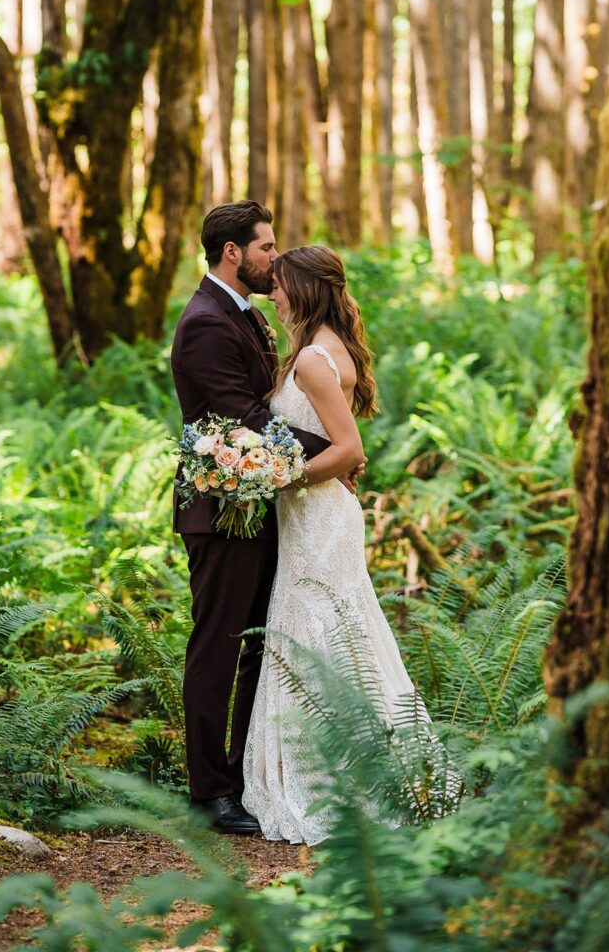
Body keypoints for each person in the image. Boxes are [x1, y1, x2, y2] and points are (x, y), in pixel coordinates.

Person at [171, 203, 360, 835]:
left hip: (265, 504)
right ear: (233, 252)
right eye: (266, 247)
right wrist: (333, 454)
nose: (273, 258)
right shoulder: (204, 322)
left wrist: (333, 453)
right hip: (221, 511)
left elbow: (268, 412)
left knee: (262, 645)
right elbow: (246, 421)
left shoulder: (246, 316)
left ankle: (246, 773)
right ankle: (209, 792)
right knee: (219, 646)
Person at [242, 245, 429, 846]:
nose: (273, 294)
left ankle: (340, 778)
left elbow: (347, 449)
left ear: (303, 289)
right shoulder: (325, 347)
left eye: (280, 286)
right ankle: (367, 767)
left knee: (321, 631)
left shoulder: (315, 361)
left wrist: (278, 477)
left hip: (318, 515)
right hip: (316, 514)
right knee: (332, 630)